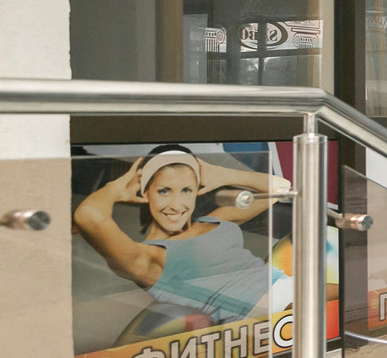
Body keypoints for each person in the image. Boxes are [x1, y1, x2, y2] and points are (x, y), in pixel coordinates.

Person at [72, 145, 289, 341]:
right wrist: (115, 188)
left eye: (186, 190)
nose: (176, 205)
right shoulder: (149, 258)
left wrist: (222, 175)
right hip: (268, 315)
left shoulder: (216, 219)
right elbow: (88, 216)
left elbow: (282, 187)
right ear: (145, 192)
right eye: (164, 191)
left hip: (289, 286)